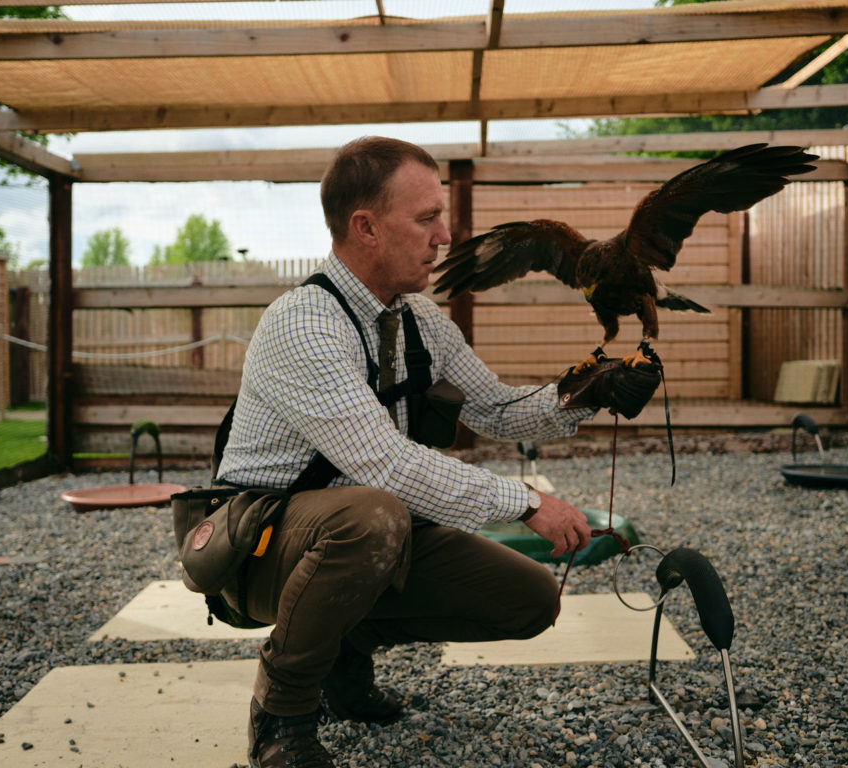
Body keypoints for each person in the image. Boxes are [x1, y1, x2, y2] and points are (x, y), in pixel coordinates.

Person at [208, 136, 652, 768]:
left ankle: (340, 653)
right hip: (254, 548)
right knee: (374, 515)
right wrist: (526, 504)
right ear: (365, 227)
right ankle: (280, 713)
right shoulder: (304, 323)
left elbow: (495, 408)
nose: (446, 235)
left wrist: (588, 391)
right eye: (427, 218)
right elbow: (383, 465)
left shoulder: (419, 318)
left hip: (359, 536)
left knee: (530, 599)